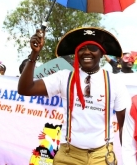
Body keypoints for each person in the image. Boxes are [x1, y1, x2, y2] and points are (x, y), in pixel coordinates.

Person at [18, 27, 130, 165]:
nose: (86, 52)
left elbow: (124, 125)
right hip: (68, 155)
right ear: (76, 53)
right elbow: (25, 89)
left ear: (102, 53)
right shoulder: (64, 77)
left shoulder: (114, 81)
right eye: (82, 48)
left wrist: (129, 158)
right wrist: (34, 54)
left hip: (102, 156)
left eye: (92, 48)